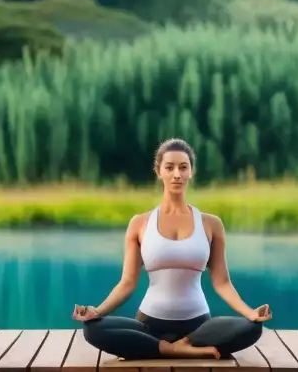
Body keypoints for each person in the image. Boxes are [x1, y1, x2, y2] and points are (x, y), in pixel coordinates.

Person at [73, 138, 272, 360]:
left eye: (183, 167)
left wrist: (251, 313)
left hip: (198, 327)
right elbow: (127, 282)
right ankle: (169, 348)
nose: (176, 174)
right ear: (159, 171)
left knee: (253, 328)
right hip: (149, 325)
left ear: (191, 172)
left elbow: (222, 282)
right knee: (92, 328)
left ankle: (182, 345)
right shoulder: (139, 223)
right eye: (169, 167)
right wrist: (97, 312)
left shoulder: (211, 224)